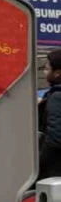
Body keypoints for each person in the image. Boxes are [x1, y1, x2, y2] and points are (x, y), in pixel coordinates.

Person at [40, 50, 61, 181]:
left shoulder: (57, 97)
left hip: (53, 171)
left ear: (58, 73)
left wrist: (38, 162)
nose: (45, 73)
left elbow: (56, 138)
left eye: (47, 69)